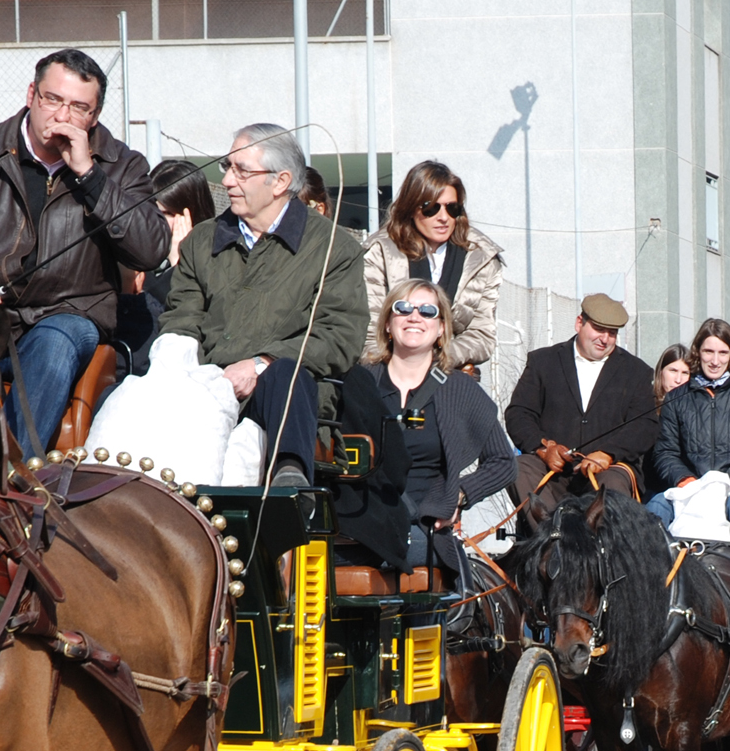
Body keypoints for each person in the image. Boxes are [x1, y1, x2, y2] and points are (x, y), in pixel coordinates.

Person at [0, 48, 170, 460]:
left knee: (58, 340)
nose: (62, 115)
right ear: (31, 95)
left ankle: (10, 481)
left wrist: (90, 176)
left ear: (94, 117)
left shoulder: (121, 167)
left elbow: (151, 250)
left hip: (66, 317)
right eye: (53, 99)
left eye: (79, 107)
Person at [156, 121, 365, 491]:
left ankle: (290, 477)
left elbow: (339, 336)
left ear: (280, 182)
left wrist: (259, 364)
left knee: (286, 373)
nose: (228, 181)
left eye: (242, 170)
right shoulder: (202, 241)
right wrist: (179, 372)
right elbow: (181, 320)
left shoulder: (334, 247)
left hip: (287, 397)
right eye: (227, 167)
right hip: (208, 384)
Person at [332, 281, 515, 577]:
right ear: (388, 324)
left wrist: (457, 496)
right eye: (402, 308)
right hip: (356, 520)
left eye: (427, 311)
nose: (414, 317)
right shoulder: (355, 382)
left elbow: (504, 462)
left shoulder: (460, 390)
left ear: (441, 328)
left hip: (419, 526)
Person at [504, 294, 656, 519]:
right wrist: (543, 448)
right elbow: (519, 413)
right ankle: (551, 544)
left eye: (612, 333)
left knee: (612, 484)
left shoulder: (637, 371)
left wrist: (608, 454)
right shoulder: (543, 362)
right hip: (551, 472)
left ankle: (601, 552)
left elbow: (646, 426)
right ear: (579, 323)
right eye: (598, 329)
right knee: (518, 468)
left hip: (607, 472)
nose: (604, 339)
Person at [647, 318, 730, 560]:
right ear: (698, 352)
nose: (715, 360)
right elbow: (665, 452)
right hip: (690, 490)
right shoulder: (676, 398)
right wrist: (684, 479)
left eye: (722, 352)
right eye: (709, 351)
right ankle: (648, 585)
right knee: (655, 506)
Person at [363, 160, 505, 374]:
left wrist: (440, 358)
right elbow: (369, 331)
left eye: (452, 208)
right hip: (388, 372)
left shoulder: (482, 257)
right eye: (431, 208)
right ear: (410, 208)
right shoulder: (379, 252)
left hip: (449, 374)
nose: (443, 218)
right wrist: (401, 367)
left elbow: (482, 335)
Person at [116, 157, 217, 377]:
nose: (158, 221)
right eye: (153, 211)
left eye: (169, 214)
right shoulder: (134, 252)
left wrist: (180, 265)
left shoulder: (214, 258)